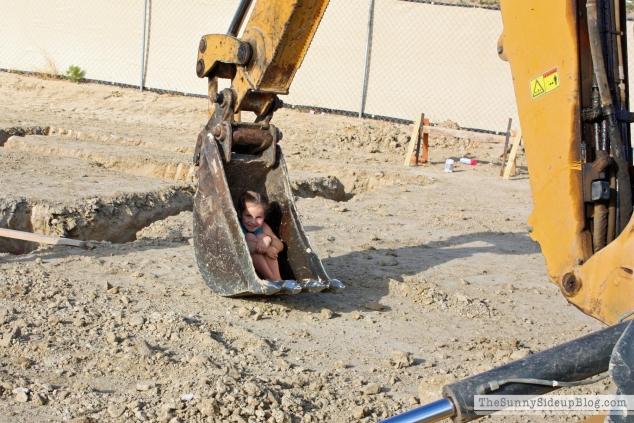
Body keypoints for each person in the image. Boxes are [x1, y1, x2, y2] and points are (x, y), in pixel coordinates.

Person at [236, 191, 285, 282]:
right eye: (248, 216)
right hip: (245, 269)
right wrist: (267, 249)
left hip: (263, 265)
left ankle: (278, 279)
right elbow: (241, 247)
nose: (253, 222)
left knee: (262, 237)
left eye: (258, 217)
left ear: (265, 216)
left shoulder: (263, 226)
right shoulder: (236, 226)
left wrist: (268, 240)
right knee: (249, 236)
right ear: (239, 214)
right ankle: (270, 278)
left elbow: (280, 246)